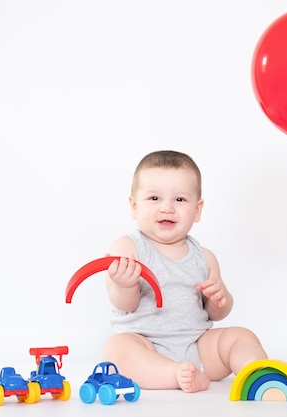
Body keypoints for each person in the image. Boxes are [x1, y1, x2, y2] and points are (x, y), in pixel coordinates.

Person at [102, 150, 268, 393]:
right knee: (116, 349)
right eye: (154, 198)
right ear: (134, 206)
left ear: (197, 210)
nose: (167, 208)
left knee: (241, 336)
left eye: (179, 200)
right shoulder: (128, 247)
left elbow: (216, 313)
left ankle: (258, 375)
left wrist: (219, 298)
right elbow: (125, 306)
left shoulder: (205, 257)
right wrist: (125, 284)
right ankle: (173, 375)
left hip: (198, 346)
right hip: (146, 346)